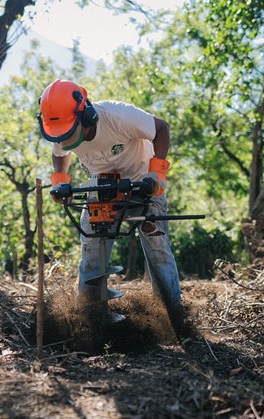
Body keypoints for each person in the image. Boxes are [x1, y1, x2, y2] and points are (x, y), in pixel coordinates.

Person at [39, 79, 198, 341]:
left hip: (141, 183)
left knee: (157, 248)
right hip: (101, 187)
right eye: (60, 135)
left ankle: (173, 318)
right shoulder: (61, 127)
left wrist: (156, 175)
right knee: (92, 250)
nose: (65, 139)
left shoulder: (117, 116)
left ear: (86, 114)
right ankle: (89, 322)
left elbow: (161, 128)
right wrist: (60, 180)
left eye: (69, 132)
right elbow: (59, 153)